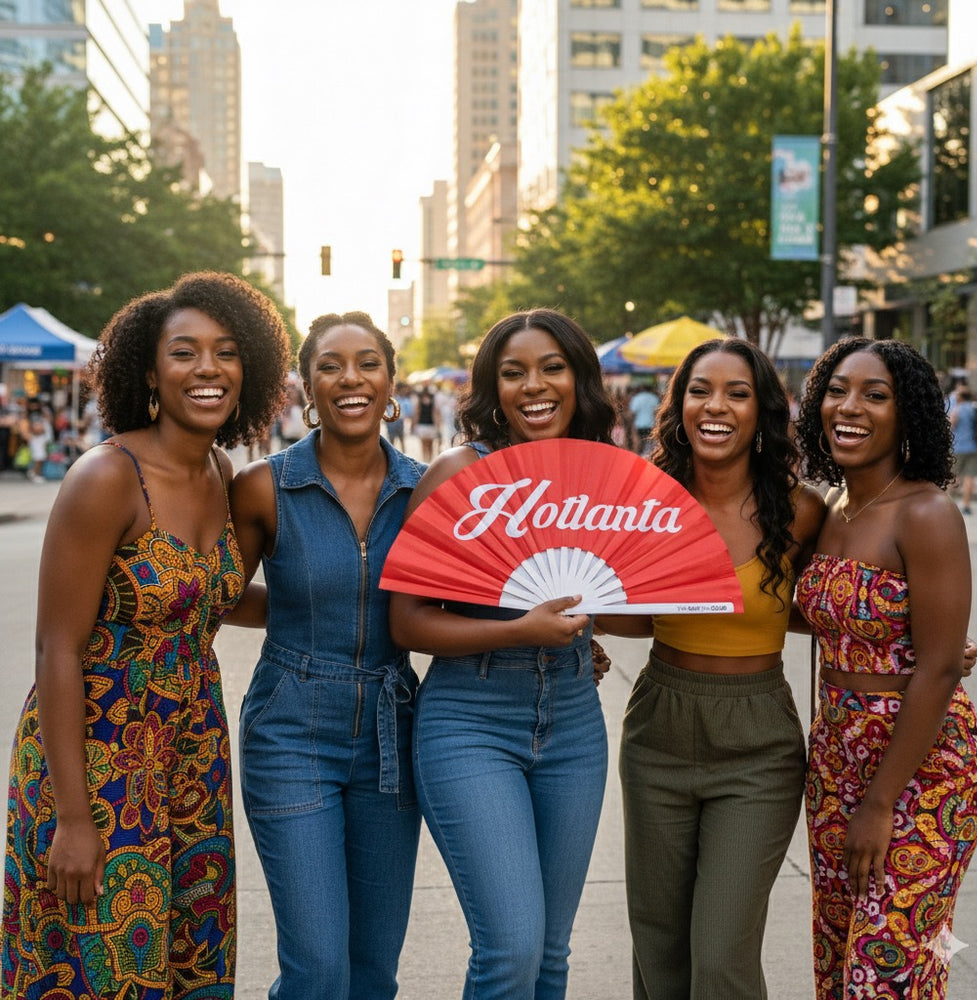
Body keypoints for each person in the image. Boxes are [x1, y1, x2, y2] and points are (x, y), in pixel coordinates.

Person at [2, 271, 290, 999]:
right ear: (150, 373)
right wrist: (73, 818)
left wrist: (332, 606)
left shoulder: (222, 473)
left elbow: (204, 601)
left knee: (192, 958)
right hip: (97, 755)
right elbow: (56, 649)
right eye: (185, 352)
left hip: (192, 753)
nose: (208, 369)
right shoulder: (107, 476)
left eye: (226, 352)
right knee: (103, 968)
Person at [388, 308, 617, 1000]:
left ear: (579, 379)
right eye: (513, 373)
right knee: (511, 950)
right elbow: (407, 621)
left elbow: (621, 594)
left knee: (550, 955)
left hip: (575, 719)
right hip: (471, 719)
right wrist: (520, 631)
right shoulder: (458, 473)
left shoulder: (605, 476)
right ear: (493, 388)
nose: (534, 386)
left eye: (552, 368)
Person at [600, 338, 827, 1000]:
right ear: (679, 405)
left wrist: (918, 644)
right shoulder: (643, 500)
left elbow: (829, 608)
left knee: (721, 955)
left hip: (758, 741)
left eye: (737, 392)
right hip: (660, 725)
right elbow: (628, 606)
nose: (716, 406)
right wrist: (574, 620)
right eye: (700, 390)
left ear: (763, 411)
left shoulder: (804, 510)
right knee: (660, 944)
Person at [227, 311, 425, 1000]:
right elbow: (216, 594)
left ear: (391, 381)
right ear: (306, 386)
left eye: (368, 362)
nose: (350, 378)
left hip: (393, 733)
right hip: (291, 729)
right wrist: (300, 612)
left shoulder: (426, 492)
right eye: (330, 365)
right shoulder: (264, 486)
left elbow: (476, 595)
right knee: (317, 969)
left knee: (373, 970)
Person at [794, 337, 977, 999]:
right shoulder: (828, 511)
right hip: (834, 757)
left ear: (907, 416)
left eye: (875, 395)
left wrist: (880, 802)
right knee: (838, 946)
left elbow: (938, 669)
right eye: (838, 390)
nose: (850, 407)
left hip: (924, 765)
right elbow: (821, 613)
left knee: (889, 968)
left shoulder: (928, 514)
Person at [948, 384, 977, 514]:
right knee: (969, 477)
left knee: (953, 477)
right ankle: (966, 505)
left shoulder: (958, 409)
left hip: (958, 447)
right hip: (974, 447)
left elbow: (951, 426)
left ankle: (950, 504)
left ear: (960, 397)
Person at [412, 383, 439, 462]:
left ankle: (425, 460)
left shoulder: (419, 401)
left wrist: (414, 424)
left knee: (424, 445)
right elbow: (435, 413)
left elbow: (417, 413)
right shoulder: (432, 401)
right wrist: (437, 425)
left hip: (422, 425)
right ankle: (429, 460)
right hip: (431, 425)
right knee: (430, 445)